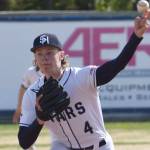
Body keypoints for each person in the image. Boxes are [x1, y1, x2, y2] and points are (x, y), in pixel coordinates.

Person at [18, 14, 150, 150]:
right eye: (39, 53)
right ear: (35, 58)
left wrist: (136, 37)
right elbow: (24, 142)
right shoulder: (32, 94)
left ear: (61, 55)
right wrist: (40, 120)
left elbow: (116, 66)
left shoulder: (81, 77)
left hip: (99, 146)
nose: (45, 58)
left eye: (50, 52)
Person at [13, 62, 43, 150]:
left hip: (54, 108)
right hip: (34, 109)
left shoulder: (56, 72)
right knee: (27, 140)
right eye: (39, 54)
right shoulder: (30, 72)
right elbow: (23, 88)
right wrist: (19, 108)